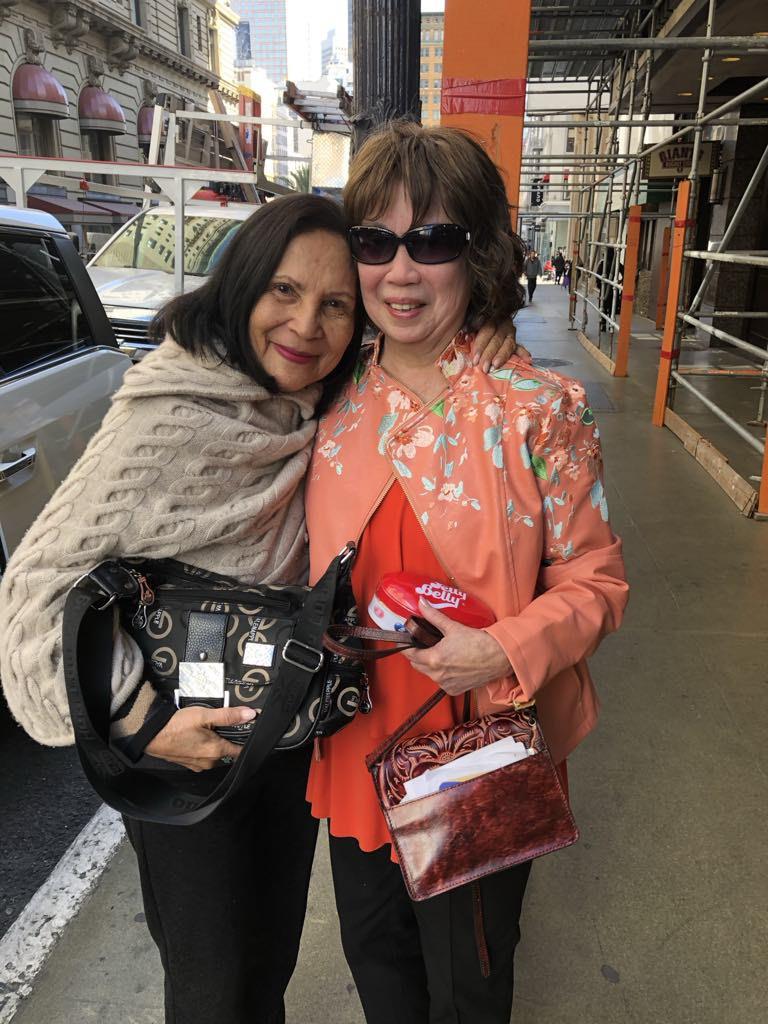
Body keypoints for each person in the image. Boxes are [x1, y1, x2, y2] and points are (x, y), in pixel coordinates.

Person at [0, 193, 519, 1024]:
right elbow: (32, 590)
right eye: (283, 290)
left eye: (334, 303)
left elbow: (422, 336)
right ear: (241, 285)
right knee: (214, 989)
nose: (306, 324)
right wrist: (135, 721)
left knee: (270, 960)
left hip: (281, 733)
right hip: (182, 748)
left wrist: (488, 332)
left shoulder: (327, 404)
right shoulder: (171, 416)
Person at [305, 120, 629, 1024]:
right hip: (354, 740)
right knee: (379, 968)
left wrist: (501, 651)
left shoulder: (535, 410)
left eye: (433, 240)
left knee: (470, 987)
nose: (400, 272)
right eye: (375, 241)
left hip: (478, 753)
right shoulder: (323, 397)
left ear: (476, 253)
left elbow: (598, 584)